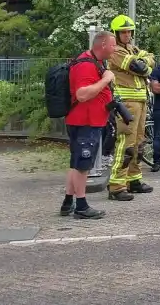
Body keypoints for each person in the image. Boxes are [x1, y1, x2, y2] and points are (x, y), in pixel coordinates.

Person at [61, 30, 118, 220]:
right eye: (113, 44)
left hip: (86, 120)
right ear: (102, 45)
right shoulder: (86, 65)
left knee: (75, 163)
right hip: (85, 121)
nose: (115, 48)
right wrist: (106, 80)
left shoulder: (94, 62)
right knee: (83, 166)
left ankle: (68, 202)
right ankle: (81, 206)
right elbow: (82, 94)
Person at [106, 15, 156, 201]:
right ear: (116, 34)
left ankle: (134, 179)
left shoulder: (131, 49)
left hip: (140, 101)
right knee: (126, 144)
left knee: (139, 142)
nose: (127, 35)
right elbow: (140, 67)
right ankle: (117, 185)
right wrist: (143, 62)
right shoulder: (116, 51)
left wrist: (144, 61)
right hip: (126, 102)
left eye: (129, 32)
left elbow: (151, 59)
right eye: (123, 32)